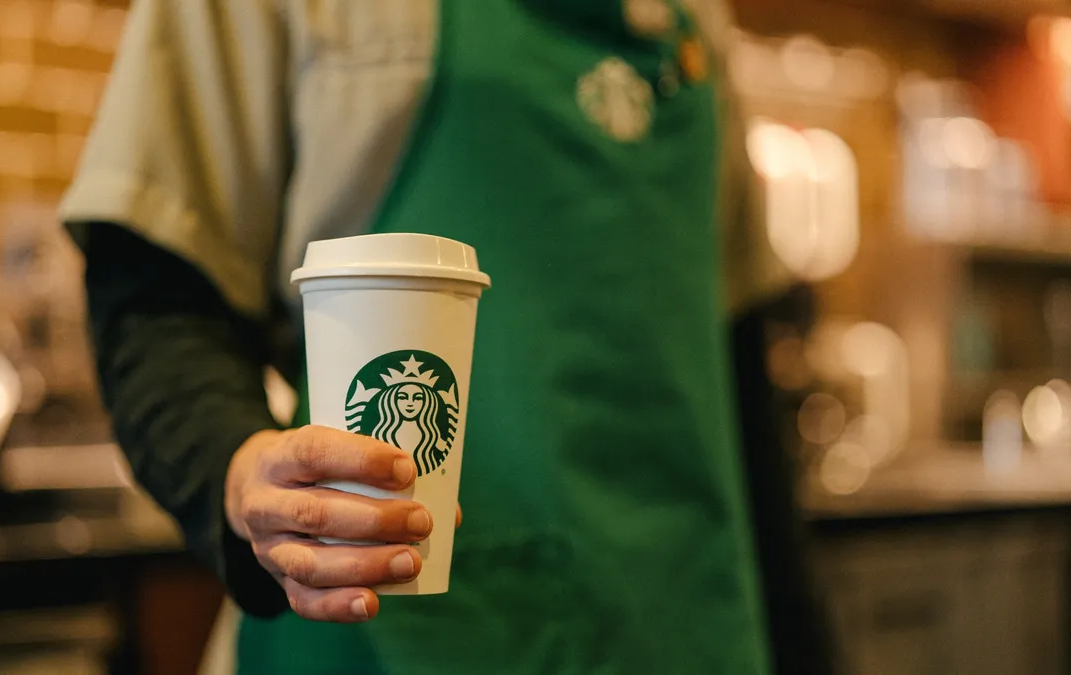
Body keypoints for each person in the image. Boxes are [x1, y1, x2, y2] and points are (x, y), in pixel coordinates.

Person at [62, 0, 835, 673]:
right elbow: (155, 298)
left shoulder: (701, 17)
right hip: (397, 645)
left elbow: (735, 372)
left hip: (684, 636)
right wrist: (237, 473)